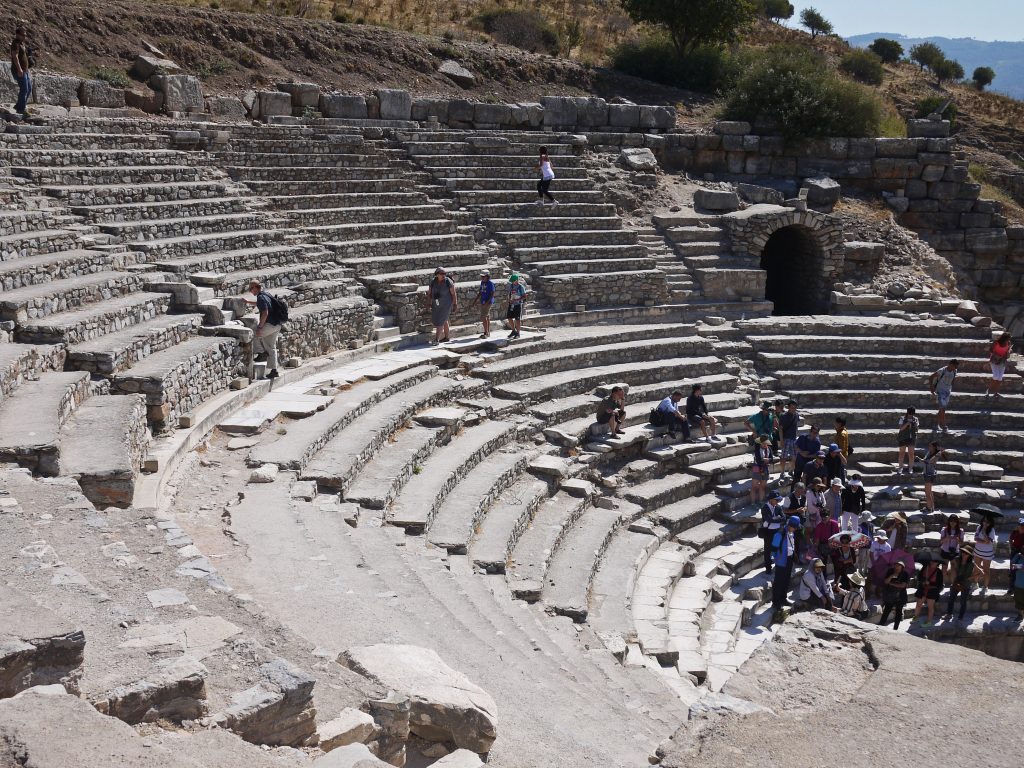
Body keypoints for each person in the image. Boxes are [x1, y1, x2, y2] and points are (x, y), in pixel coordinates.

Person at [248, 280, 283, 380]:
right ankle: (274, 371)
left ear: (255, 287)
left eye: (251, 288)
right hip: (277, 324)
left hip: (270, 324)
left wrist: (259, 327)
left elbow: (265, 312)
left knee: (254, 334)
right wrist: (248, 302)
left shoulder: (261, 297)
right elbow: (261, 304)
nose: (251, 291)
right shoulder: (265, 294)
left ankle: (261, 353)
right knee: (271, 347)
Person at [771, 516, 803, 616]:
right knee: (778, 581)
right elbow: (774, 548)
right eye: (795, 527)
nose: (796, 529)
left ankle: (783, 598)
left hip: (789, 559)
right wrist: (776, 559)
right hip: (781, 561)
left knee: (786, 580)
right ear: (791, 525)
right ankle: (776, 602)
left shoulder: (791, 532)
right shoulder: (780, 533)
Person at [943, 544, 981, 622]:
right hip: (957, 582)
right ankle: (949, 614)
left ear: (969, 555)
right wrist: (950, 570)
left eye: (966, 553)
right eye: (963, 552)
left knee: (962, 602)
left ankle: (960, 617)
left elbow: (981, 572)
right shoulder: (957, 559)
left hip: (966, 584)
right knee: (951, 599)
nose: (963, 554)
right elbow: (952, 565)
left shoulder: (972, 563)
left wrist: (972, 578)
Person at [426, 267, 457, 344]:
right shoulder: (433, 282)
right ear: (437, 274)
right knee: (444, 320)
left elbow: (453, 294)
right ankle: (446, 337)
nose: (444, 275)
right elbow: (429, 294)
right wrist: (429, 303)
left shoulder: (448, 282)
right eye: (442, 274)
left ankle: (436, 340)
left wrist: (455, 304)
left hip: (446, 304)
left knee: (440, 321)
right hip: (436, 304)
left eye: (445, 274)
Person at [928, 359, 958, 433]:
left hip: (947, 393)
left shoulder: (954, 371)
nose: (955, 368)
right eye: (955, 366)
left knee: (942, 409)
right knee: (943, 409)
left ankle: (936, 425)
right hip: (940, 392)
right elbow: (931, 377)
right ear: (950, 364)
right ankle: (944, 426)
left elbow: (953, 380)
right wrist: (932, 388)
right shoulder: (942, 370)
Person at [912, 556, 943, 627]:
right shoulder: (925, 568)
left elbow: (939, 584)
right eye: (932, 561)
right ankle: (916, 617)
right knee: (918, 604)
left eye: (934, 561)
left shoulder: (939, 572)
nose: (932, 562)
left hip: (932, 590)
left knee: (930, 607)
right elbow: (919, 577)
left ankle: (929, 621)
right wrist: (923, 581)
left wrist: (930, 583)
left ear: (937, 563)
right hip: (922, 589)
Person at [759, 490, 786, 572]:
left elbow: (784, 518)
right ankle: (768, 568)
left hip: (777, 531)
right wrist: (777, 518)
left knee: (777, 548)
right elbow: (769, 520)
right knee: (767, 550)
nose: (777, 501)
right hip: (768, 532)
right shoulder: (765, 508)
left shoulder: (778, 507)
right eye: (776, 499)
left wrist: (775, 519)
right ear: (770, 500)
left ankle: (777, 565)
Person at [878, 560, 909, 629]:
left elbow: (903, 586)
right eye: (896, 565)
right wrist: (891, 576)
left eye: (899, 565)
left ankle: (895, 628)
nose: (896, 566)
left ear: (902, 567)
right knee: (886, 611)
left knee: (898, 612)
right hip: (890, 595)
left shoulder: (905, 574)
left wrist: (891, 583)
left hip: (900, 596)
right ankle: (880, 626)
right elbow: (886, 582)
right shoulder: (890, 571)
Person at [972, 515, 998, 595]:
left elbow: (988, 541)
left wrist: (984, 531)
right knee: (976, 568)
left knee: (986, 570)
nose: (985, 523)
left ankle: (985, 586)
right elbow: (975, 538)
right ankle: (975, 584)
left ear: (990, 523)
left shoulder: (992, 530)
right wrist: (984, 540)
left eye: (987, 522)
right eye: (984, 521)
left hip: (987, 553)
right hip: (977, 551)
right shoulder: (979, 527)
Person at [792, 425, 821, 490]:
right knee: (796, 478)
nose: (814, 434)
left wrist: (807, 456)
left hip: (809, 463)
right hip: (800, 461)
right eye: (813, 432)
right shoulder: (802, 437)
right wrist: (801, 452)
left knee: (807, 479)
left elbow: (816, 455)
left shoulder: (817, 442)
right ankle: (793, 493)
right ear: (810, 431)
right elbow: (795, 446)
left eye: (816, 433)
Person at [10, 26, 31, 117]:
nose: (24, 37)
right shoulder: (16, 43)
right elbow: (15, 56)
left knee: (29, 89)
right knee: (24, 89)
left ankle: (19, 106)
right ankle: (20, 109)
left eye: (25, 35)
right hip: (19, 70)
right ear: (18, 35)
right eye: (23, 35)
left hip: (25, 70)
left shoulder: (22, 44)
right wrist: (19, 69)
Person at [939, 514, 965, 583]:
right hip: (945, 551)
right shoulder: (944, 530)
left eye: (954, 521)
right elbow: (941, 541)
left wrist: (958, 540)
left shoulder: (960, 531)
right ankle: (942, 584)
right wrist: (947, 538)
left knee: (953, 570)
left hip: (955, 552)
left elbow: (961, 544)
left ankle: (953, 584)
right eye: (951, 521)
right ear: (949, 521)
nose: (953, 523)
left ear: (957, 522)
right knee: (944, 569)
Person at [921, 441, 946, 512]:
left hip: (929, 474)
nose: (929, 447)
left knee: (927, 493)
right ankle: (932, 507)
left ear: (934, 447)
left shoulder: (936, 455)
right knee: (930, 492)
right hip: (928, 473)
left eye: (930, 446)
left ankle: (929, 508)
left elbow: (929, 461)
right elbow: (925, 460)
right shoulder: (929, 452)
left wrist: (939, 452)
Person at [777, 401, 800, 480]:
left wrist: (797, 438)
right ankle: (782, 473)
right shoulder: (783, 416)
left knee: (794, 457)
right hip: (786, 439)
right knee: (783, 457)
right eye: (792, 407)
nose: (793, 409)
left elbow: (796, 426)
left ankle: (791, 471)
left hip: (794, 439)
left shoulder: (796, 415)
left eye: (795, 407)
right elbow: (780, 429)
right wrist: (781, 440)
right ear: (788, 407)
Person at [986, 332, 1012, 398]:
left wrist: (1009, 352)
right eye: (1008, 339)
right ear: (1004, 338)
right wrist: (996, 355)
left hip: (1002, 361)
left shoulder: (1008, 343)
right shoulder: (996, 342)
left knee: (1000, 378)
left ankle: (996, 392)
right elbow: (991, 350)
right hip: (994, 360)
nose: (1008, 340)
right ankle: (988, 390)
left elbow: (1007, 351)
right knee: (996, 376)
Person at [750, 435, 773, 505]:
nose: (765, 444)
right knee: (754, 487)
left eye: (766, 443)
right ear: (760, 443)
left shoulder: (769, 449)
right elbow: (758, 460)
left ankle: (761, 501)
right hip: (757, 467)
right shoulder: (757, 449)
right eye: (764, 443)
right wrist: (765, 461)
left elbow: (771, 459)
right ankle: (753, 503)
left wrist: (768, 460)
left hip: (765, 468)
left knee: (762, 486)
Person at [896, 406, 919, 474]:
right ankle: (900, 467)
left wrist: (914, 424)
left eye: (912, 414)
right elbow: (901, 428)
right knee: (901, 453)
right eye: (910, 414)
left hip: (912, 438)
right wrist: (907, 424)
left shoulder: (916, 419)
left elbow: (917, 429)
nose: (910, 415)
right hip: (903, 438)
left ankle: (910, 468)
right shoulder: (902, 418)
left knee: (911, 454)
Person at [504, 273, 526, 339]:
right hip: (511, 304)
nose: (512, 282)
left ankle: (518, 333)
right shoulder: (511, 286)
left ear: (516, 280)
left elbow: (524, 296)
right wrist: (509, 300)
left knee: (517, 319)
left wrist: (517, 299)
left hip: (518, 305)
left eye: (513, 281)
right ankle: (513, 330)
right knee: (509, 317)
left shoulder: (521, 287)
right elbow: (510, 293)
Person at [477, 270, 494, 339]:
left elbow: (492, 294)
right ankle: (487, 332)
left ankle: (486, 332)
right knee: (486, 317)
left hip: (488, 302)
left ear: (487, 276)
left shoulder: (490, 283)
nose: (482, 277)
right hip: (483, 301)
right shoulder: (482, 282)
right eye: (481, 276)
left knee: (483, 316)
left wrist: (486, 303)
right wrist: (475, 300)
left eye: (483, 276)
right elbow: (480, 292)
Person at [856, 511, 874, 575]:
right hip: (862, 545)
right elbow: (858, 536)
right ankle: (860, 571)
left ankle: (865, 571)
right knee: (861, 559)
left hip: (870, 545)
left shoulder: (871, 525)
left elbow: (872, 534)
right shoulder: (860, 526)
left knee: (868, 559)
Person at [1010, 517, 1024, 590]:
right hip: (1014, 551)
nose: (1022, 526)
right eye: (1021, 525)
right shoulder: (1015, 532)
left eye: (1023, 525)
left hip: (1022, 553)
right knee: (1012, 569)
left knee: (1019, 567)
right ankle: (1011, 587)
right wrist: (1011, 546)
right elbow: (1010, 539)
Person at [1011, 546, 1024, 623]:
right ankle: (1020, 616)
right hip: (1018, 584)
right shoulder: (1018, 556)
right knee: (1019, 602)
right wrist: (1021, 566)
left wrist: (1018, 566)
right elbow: (1012, 566)